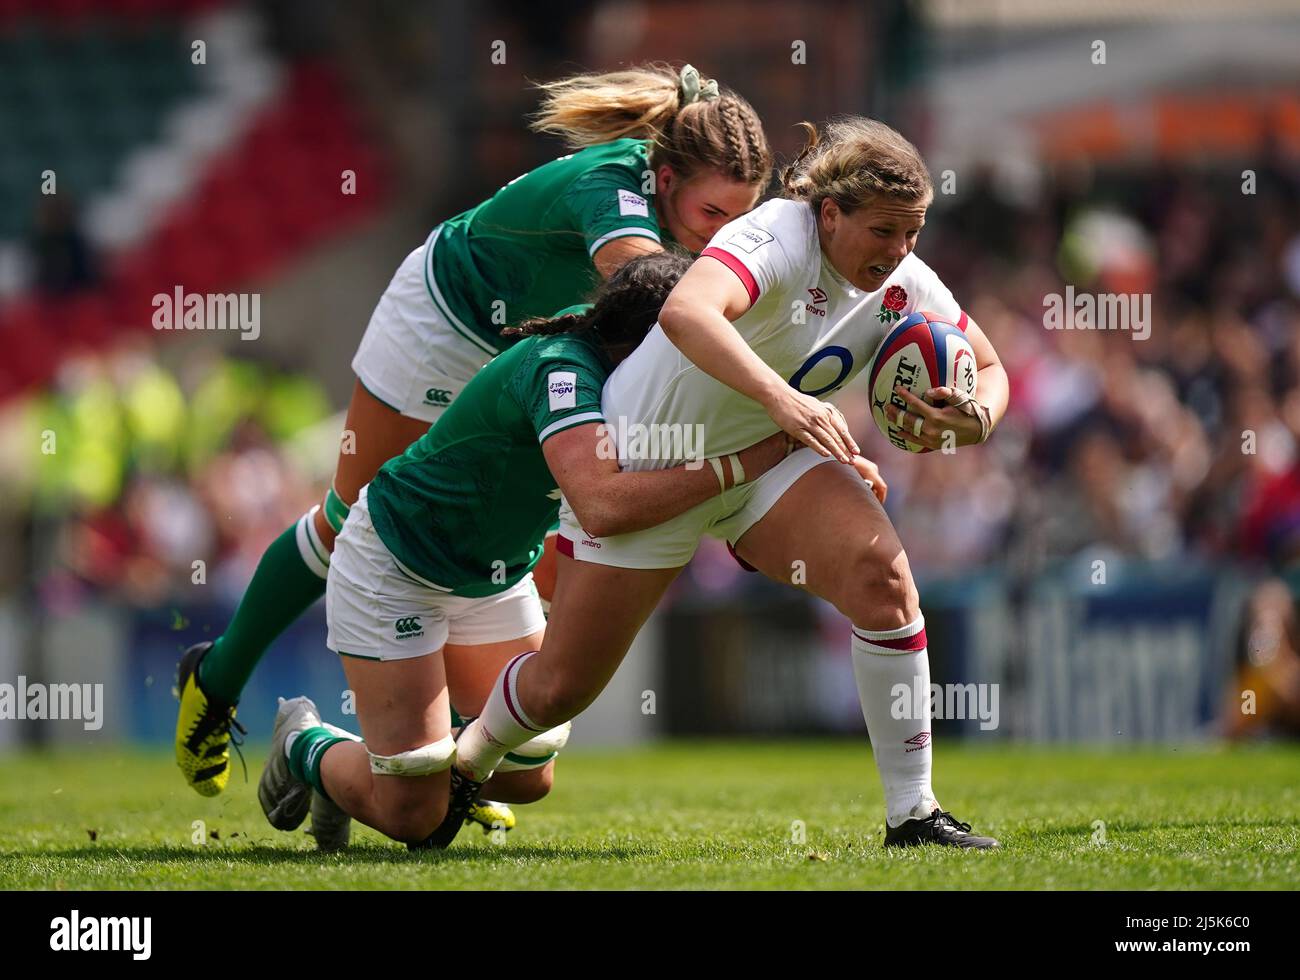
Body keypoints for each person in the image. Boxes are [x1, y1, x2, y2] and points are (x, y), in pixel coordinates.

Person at [174, 64, 772, 803]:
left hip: (531, 346)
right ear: (667, 175)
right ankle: (216, 677)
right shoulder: (614, 191)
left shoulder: (671, 196)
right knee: (356, 521)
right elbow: (656, 307)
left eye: (740, 220)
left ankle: (460, 761)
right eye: (713, 213)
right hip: (443, 328)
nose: (724, 236)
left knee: (533, 545)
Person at [446, 117, 1011, 849]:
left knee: (884, 580)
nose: (900, 251)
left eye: (914, 232)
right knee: (561, 687)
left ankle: (913, 812)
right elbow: (686, 311)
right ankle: (466, 765)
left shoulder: (904, 281)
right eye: (885, 231)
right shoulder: (776, 234)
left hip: (768, 462)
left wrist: (976, 422)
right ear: (830, 213)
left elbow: (989, 370)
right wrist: (787, 400)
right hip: (653, 458)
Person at [257, 252, 802, 849]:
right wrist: (743, 465)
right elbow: (603, 506)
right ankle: (306, 745)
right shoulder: (562, 369)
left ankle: (365, 777)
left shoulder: (618, 352)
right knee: (418, 817)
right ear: (654, 337)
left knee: (528, 772)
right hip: (396, 560)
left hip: (492, 575)